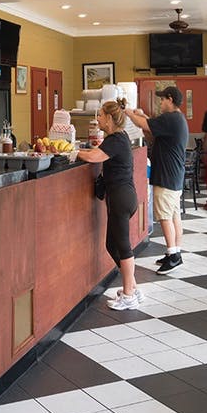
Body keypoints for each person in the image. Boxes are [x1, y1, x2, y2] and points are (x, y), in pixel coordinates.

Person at [78, 100, 141, 309]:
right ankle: (132, 288)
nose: (98, 119)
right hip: (122, 197)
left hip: (121, 198)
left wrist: (74, 153)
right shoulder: (117, 138)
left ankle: (129, 295)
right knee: (111, 245)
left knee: (123, 246)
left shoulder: (116, 139)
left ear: (110, 118)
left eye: (101, 115)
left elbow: (94, 157)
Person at [125, 86, 188, 273]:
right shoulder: (176, 119)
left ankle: (174, 256)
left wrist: (128, 112)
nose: (160, 103)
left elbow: (144, 124)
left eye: (162, 99)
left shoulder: (170, 118)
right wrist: (142, 116)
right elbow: (150, 127)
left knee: (165, 217)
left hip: (167, 176)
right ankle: (175, 252)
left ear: (170, 99)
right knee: (174, 215)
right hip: (174, 175)